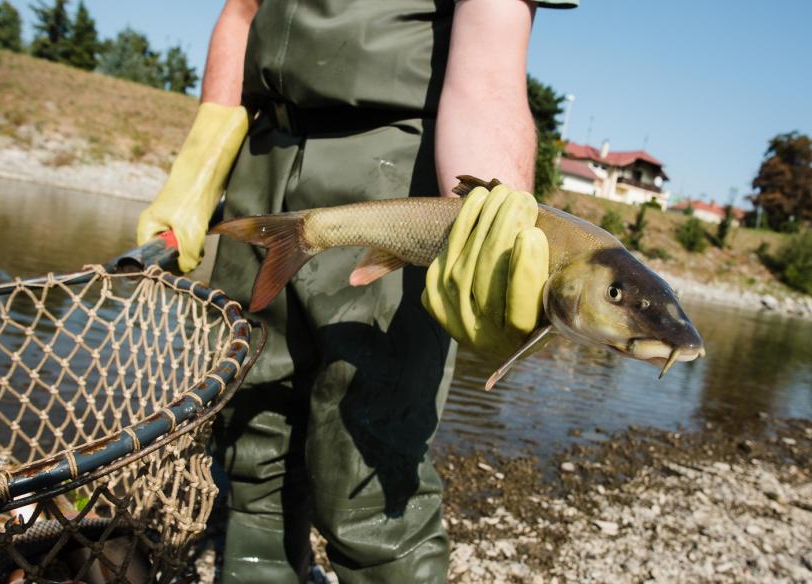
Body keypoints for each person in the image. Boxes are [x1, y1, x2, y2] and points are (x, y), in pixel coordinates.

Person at [136, 0, 576, 581]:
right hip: (261, 157)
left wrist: (490, 223)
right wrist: (204, 157)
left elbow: (488, 71)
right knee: (252, 430)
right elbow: (242, 12)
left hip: (401, 172)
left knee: (368, 457)